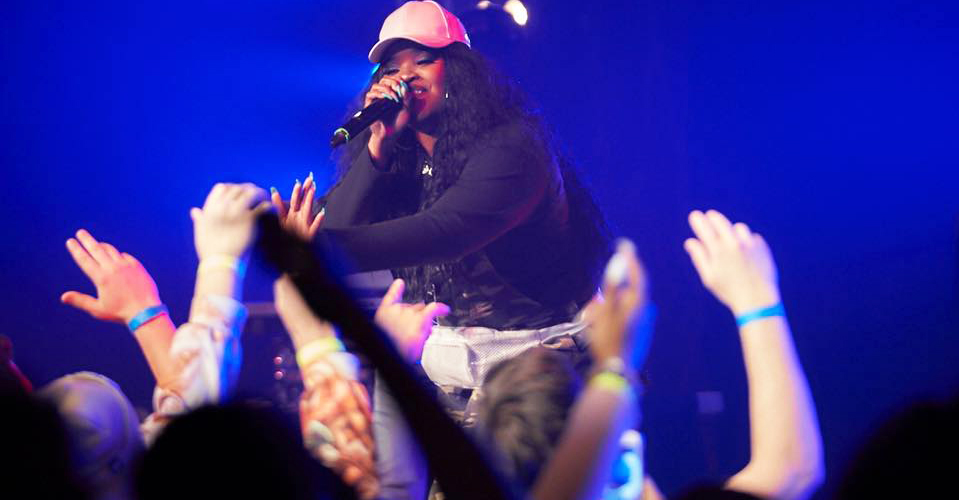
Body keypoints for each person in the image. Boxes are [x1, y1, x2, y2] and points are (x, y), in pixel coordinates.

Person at [271, 2, 609, 496]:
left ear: (461, 70)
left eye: (423, 60)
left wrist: (320, 249)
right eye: (392, 68)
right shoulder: (402, 152)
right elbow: (340, 223)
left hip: (535, 377)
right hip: (449, 382)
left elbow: (445, 230)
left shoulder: (512, 147)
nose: (406, 77)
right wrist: (377, 148)